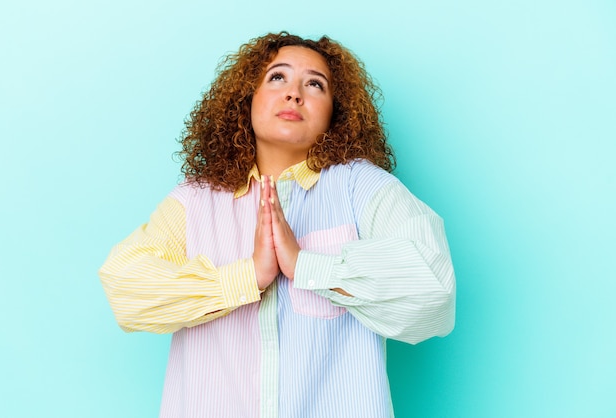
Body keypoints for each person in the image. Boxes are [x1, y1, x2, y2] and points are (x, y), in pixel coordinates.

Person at [99, 31, 456, 418]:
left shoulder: (360, 185)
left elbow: (434, 290)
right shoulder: (195, 199)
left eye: (315, 84)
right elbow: (125, 288)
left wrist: (306, 265)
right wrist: (247, 277)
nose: (294, 94)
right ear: (247, 98)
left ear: (336, 111)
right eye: (277, 78)